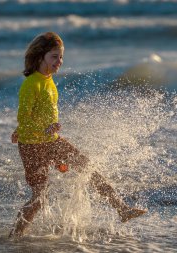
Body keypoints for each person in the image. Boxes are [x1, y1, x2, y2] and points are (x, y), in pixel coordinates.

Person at [9, 32, 146, 238]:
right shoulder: (32, 84)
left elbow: (35, 115)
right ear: (40, 57)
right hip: (32, 146)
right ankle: (14, 236)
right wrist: (39, 130)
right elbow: (24, 116)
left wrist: (48, 140)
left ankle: (122, 209)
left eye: (61, 57)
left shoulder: (48, 81)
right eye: (54, 56)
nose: (60, 61)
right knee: (40, 197)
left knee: (87, 167)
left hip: (51, 142)